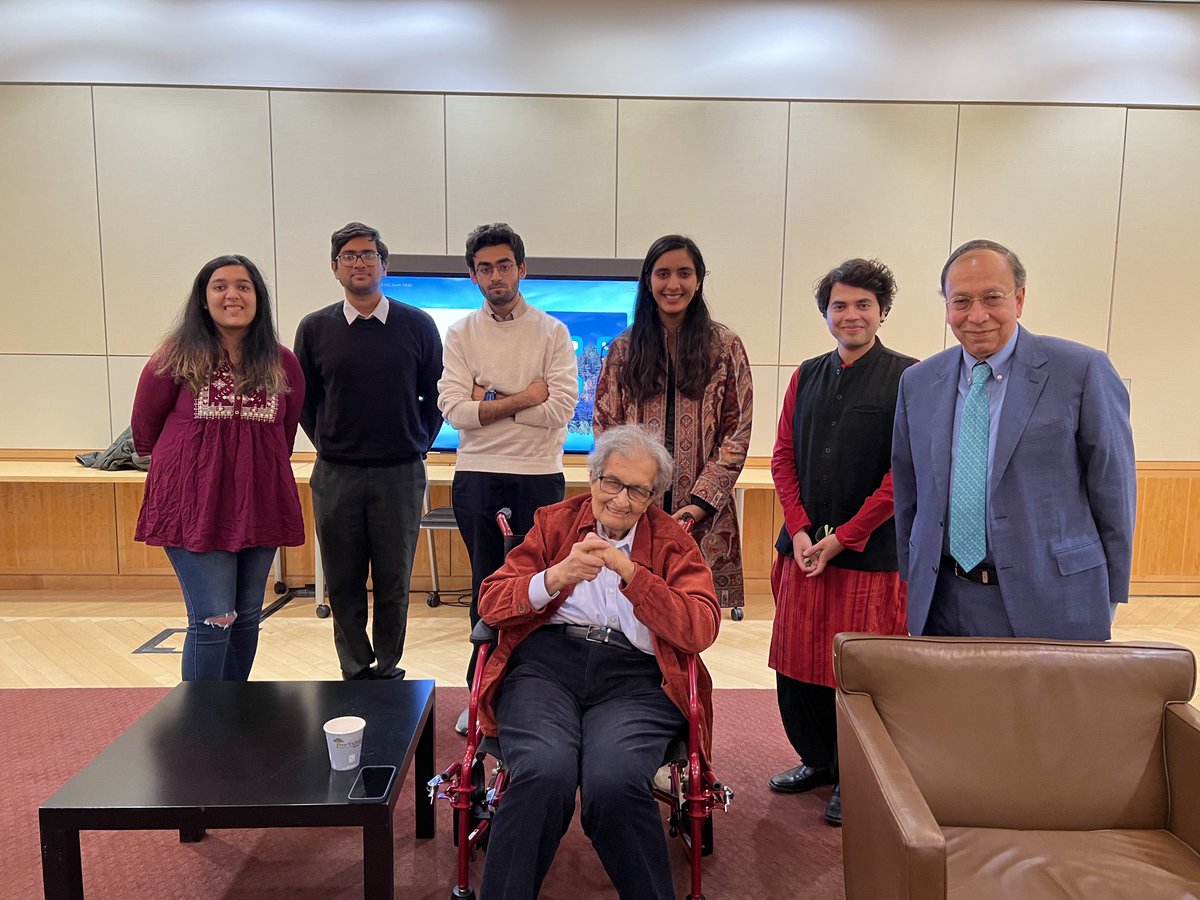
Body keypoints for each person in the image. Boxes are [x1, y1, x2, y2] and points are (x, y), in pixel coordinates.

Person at [474, 425, 720, 900]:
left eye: (638, 490)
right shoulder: (553, 523)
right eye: (612, 483)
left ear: (654, 496)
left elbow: (701, 626)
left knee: (614, 781)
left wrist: (634, 576)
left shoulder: (672, 543)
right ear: (592, 478)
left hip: (636, 679)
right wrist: (555, 576)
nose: (622, 500)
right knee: (544, 772)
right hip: (547, 669)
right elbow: (490, 603)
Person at [892, 239, 1136, 639]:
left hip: (1055, 597)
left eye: (992, 297)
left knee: (1045, 705)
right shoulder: (918, 383)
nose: (977, 315)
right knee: (951, 704)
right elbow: (909, 491)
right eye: (961, 301)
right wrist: (913, 573)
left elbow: (1114, 489)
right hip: (942, 598)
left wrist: (1107, 594)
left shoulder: (1081, 370)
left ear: (1019, 299)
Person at [766, 259, 917, 825]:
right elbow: (783, 457)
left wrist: (844, 538)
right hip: (803, 551)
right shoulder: (805, 374)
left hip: (871, 556)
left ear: (881, 312)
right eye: (839, 305)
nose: (850, 315)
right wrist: (801, 528)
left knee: (857, 670)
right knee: (798, 665)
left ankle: (859, 773)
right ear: (826, 313)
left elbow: (902, 473)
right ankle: (818, 761)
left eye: (862, 305)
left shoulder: (907, 376)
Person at [132, 254, 305, 682]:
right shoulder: (174, 357)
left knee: (247, 617)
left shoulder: (283, 362)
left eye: (244, 286)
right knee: (216, 618)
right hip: (197, 503)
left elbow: (284, 433)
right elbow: (145, 428)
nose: (233, 294)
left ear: (258, 298)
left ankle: (232, 718)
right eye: (220, 285)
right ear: (203, 298)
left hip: (259, 500)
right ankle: (199, 726)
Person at [437, 223, 578, 732]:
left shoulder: (552, 332)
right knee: (485, 587)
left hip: (539, 475)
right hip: (477, 474)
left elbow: (560, 408)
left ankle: (533, 696)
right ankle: (483, 695)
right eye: (484, 268)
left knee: (541, 589)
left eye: (503, 265)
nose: (494, 276)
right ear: (473, 276)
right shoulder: (460, 334)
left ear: (522, 268)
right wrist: (524, 398)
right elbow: (455, 411)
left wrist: (488, 401)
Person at [293, 222, 443, 680]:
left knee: (395, 582)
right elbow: (305, 399)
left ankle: (390, 669)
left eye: (368, 254)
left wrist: (417, 442)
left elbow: (436, 396)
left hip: (400, 473)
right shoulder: (315, 328)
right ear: (335, 267)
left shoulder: (417, 324)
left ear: (384, 264)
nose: (360, 262)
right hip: (336, 474)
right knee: (343, 582)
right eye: (350, 256)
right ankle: (355, 670)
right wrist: (331, 441)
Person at [593, 234, 753, 613]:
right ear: (648, 280)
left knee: (688, 617)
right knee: (628, 609)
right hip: (631, 510)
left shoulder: (725, 347)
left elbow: (737, 431)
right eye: (663, 273)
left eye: (684, 273)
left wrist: (697, 505)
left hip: (700, 516)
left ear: (699, 280)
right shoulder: (623, 349)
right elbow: (605, 426)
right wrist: (629, 495)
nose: (673, 284)